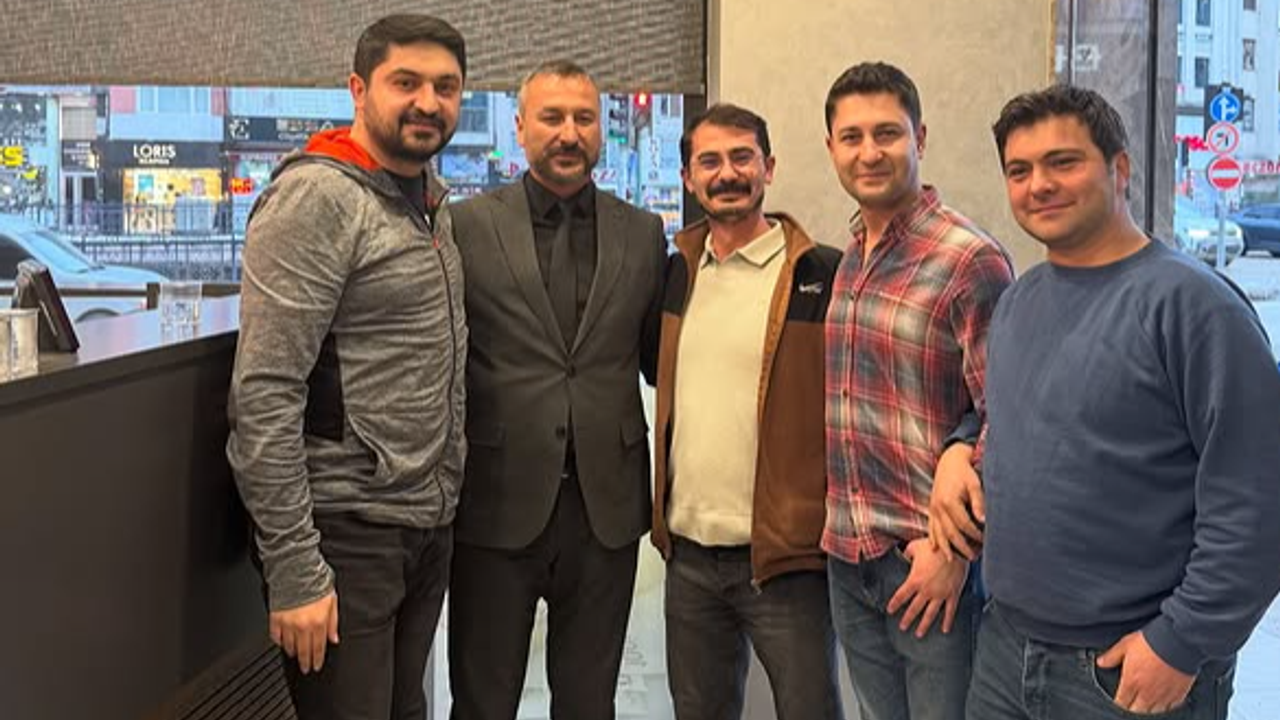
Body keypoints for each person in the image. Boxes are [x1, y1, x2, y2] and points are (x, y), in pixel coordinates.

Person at [944, 83, 1280, 720]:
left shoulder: (1194, 307)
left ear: (1120, 169)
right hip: (1005, 651)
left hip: (1126, 667)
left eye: (1063, 162)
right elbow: (1017, 420)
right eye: (1020, 170)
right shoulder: (1019, 301)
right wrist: (958, 451)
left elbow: (1259, 497)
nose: (1039, 184)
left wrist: (1183, 641)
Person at [226, 14, 467, 720]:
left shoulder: (427, 201)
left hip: (421, 525)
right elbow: (265, 391)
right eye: (406, 82)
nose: (428, 102)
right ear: (358, 90)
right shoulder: (317, 199)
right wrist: (296, 567)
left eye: (446, 86)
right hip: (344, 535)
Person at [447, 60, 667, 720]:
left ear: (601, 129)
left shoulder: (643, 233)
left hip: (605, 509)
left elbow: (658, 359)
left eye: (583, 118)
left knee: (589, 702)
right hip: (496, 499)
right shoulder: (465, 227)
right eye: (552, 118)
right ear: (520, 128)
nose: (569, 133)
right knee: (483, 702)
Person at [821, 61, 1014, 720]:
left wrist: (956, 553)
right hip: (849, 557)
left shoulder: (969, 259)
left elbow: (1008, 414)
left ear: (920, 138)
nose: (869, 152)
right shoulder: (851, 254)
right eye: (852, 137)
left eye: (887, 133)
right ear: (831, 148)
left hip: (930, 570)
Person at [650, 103, 844, 720]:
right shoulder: (677, 273)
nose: (727, 173)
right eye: (709, 161)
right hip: (688, 558)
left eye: (742, 157)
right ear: (688, 178)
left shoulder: (820, 274)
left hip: (788, 561)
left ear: (769, 167)